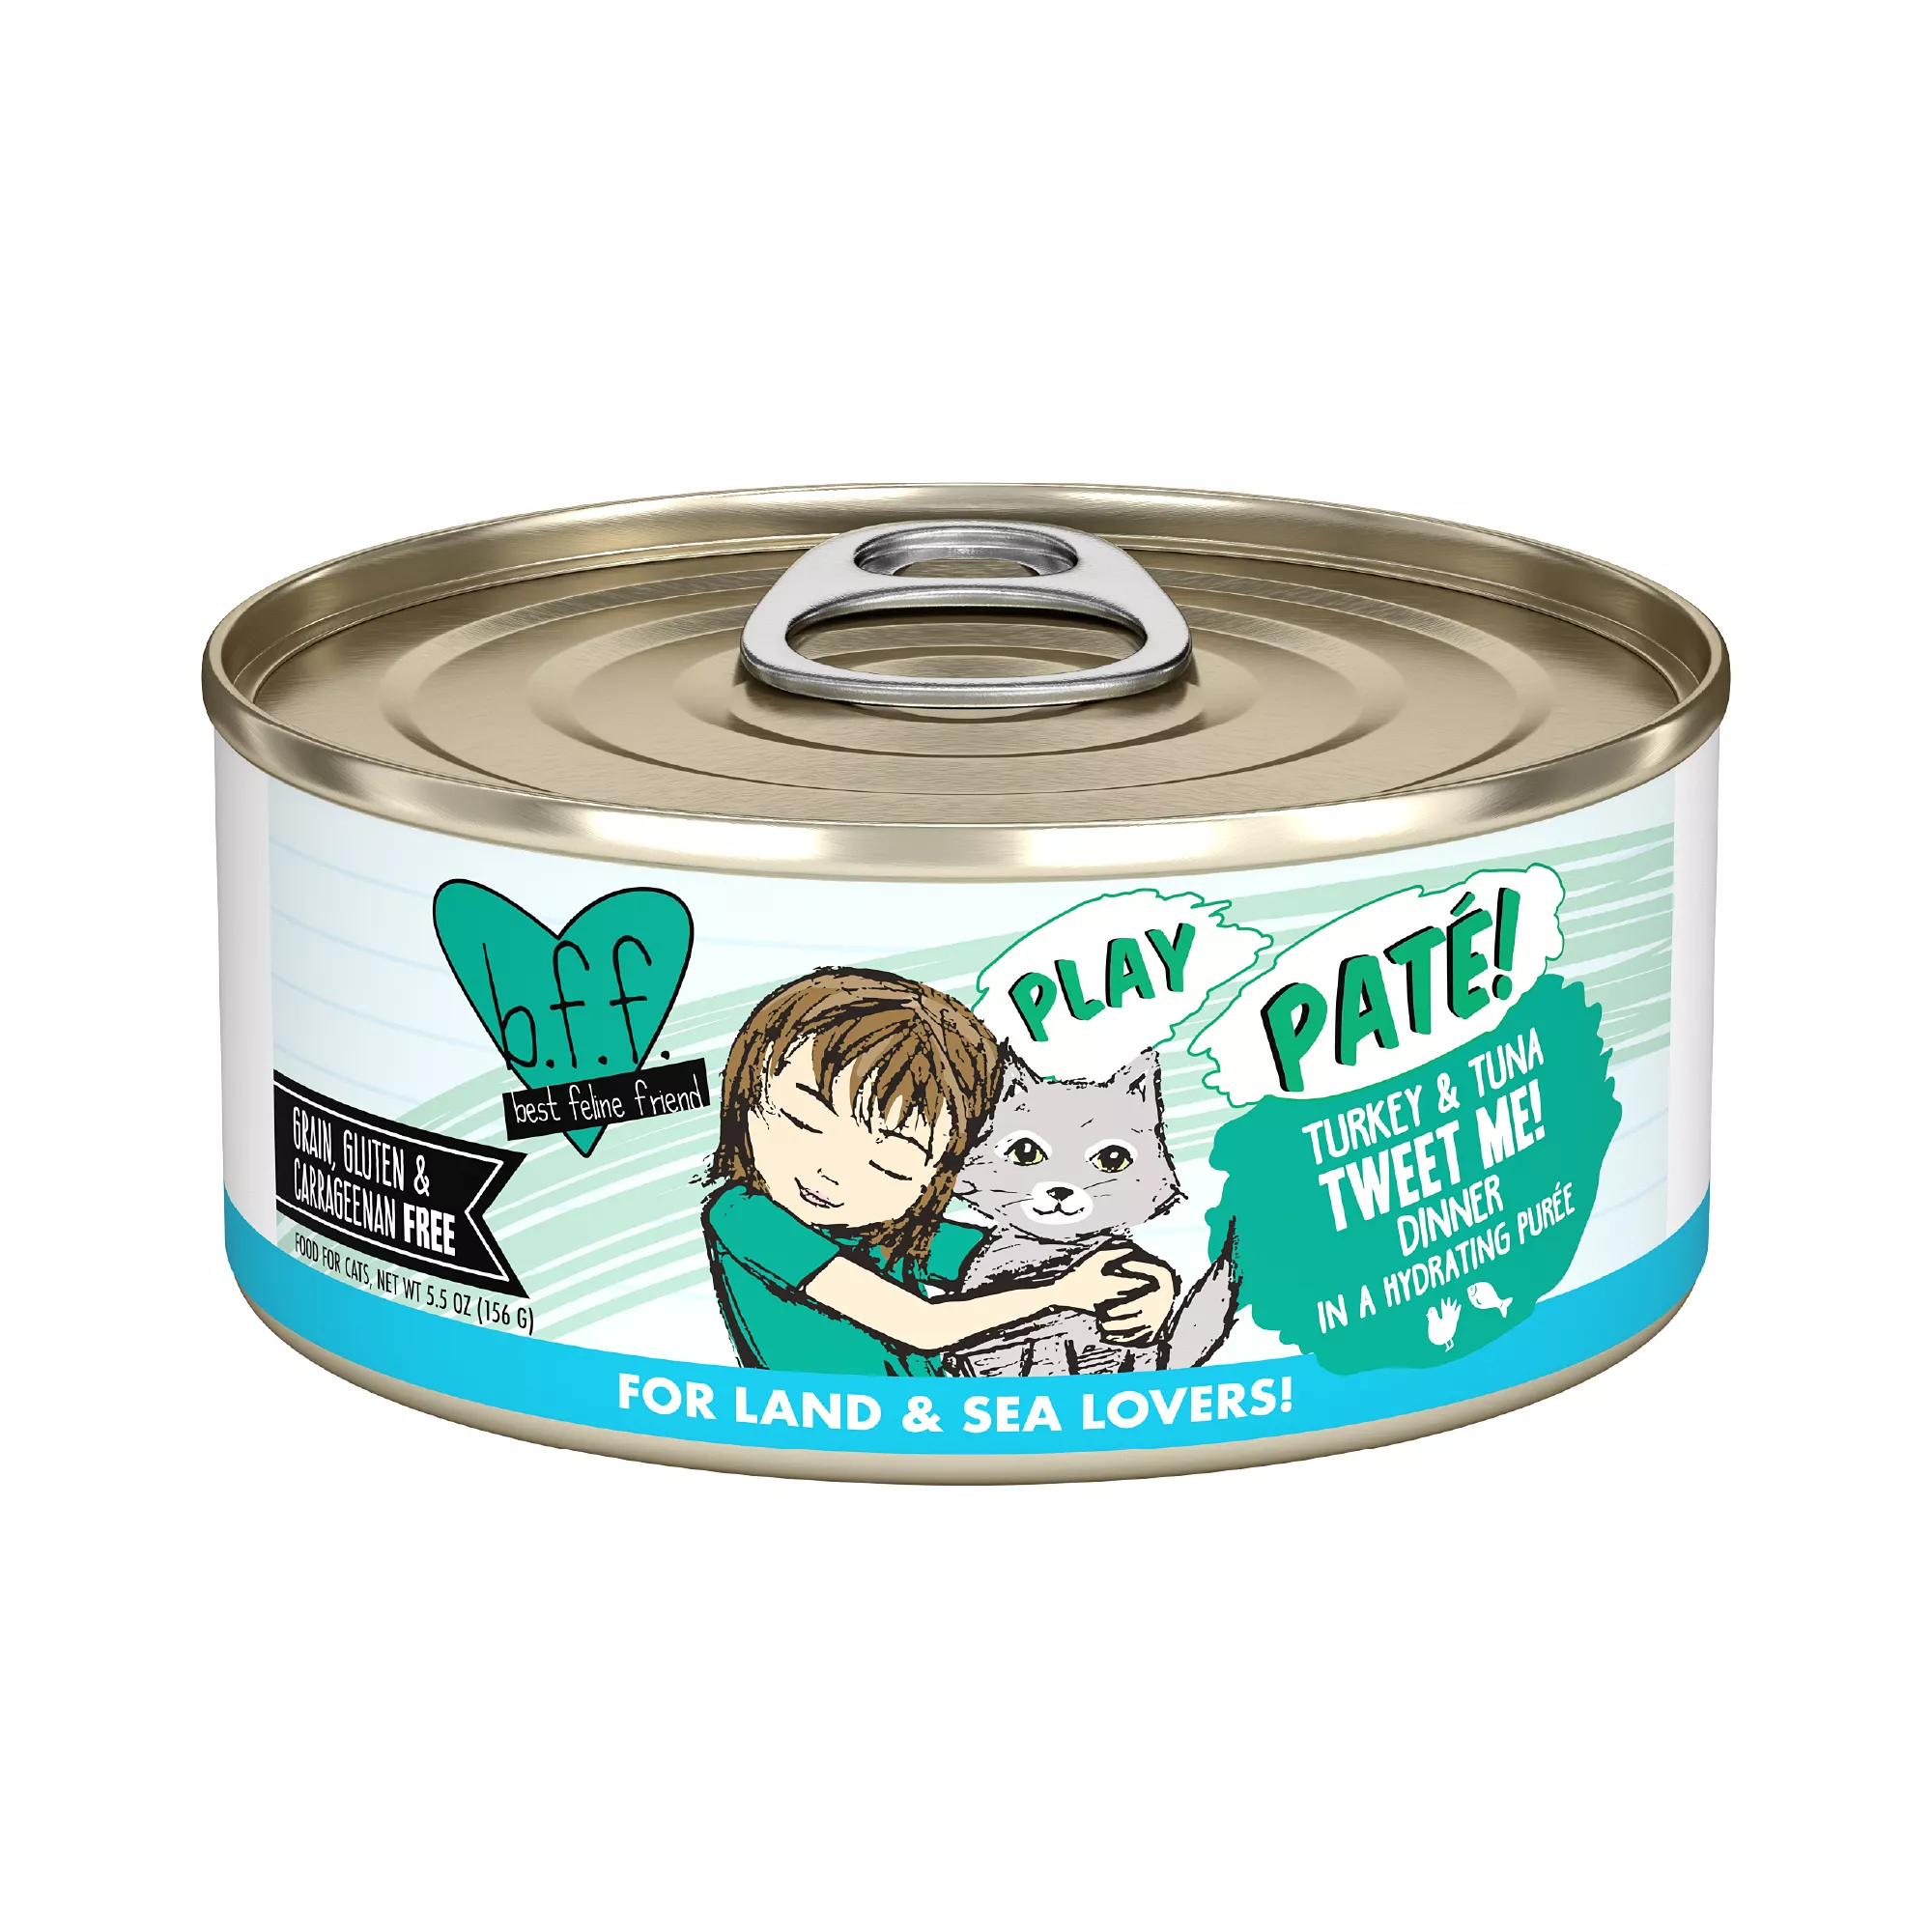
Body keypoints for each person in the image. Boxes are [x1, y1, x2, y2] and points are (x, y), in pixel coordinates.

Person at [702, 968, 1176, 1376]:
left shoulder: (892, 1227)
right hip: (837, 1420)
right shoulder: (744, 1215)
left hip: (938, 1409)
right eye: (803, 1123)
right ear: (747, 1096)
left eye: (888, 1166)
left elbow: (1029, 1255)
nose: (830, 1174)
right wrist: (1063, 1292)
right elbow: (919, 1325)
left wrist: (1146, 1282)